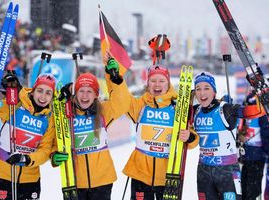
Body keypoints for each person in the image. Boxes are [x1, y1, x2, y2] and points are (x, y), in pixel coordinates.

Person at [51, 57, 130, 200]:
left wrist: (114, 78)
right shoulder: (66, 114)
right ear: (75, 93)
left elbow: (123, 103)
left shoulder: (104, 111)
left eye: (89, 91)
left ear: (96, 95)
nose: (85, 95)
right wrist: (53, 155)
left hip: (102, 181)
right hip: (74, 182)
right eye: (81, 91)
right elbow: (55, 139)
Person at [0, 73, 57, 199]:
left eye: (48, 93)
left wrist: (26, 159)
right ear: (32, 91)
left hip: (30, 181)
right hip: (3, 176)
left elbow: (45, 150)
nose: (43, 96)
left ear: (52, 97)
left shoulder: (49, 119)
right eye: (40, 90)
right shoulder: (14, 106)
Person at [122, 65, 199, 200]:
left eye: (161, 81)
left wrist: (189, 137)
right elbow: (120, 98)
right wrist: (115, 77)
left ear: (168, 83)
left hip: (169, 173)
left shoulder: (178, 107)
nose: (157, 84)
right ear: (148, 84)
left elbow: (193, 139)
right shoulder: (141, 104)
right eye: (153, 80)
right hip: (141, 174)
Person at [193, 71, 248, 200]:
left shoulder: (226, 109)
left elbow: (249, 112)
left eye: (207, 88)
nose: (202, 93)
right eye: (198, 89)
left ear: (214, 92)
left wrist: (262, 96)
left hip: (227, 170)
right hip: (204, 171)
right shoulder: (195, 111)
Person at [238, 93, 269, 200]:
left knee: (246, 187)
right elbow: (265, 133)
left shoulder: (248, 104)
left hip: (248, 154)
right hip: (255, 155)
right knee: (252, 189)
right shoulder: (261, 111)